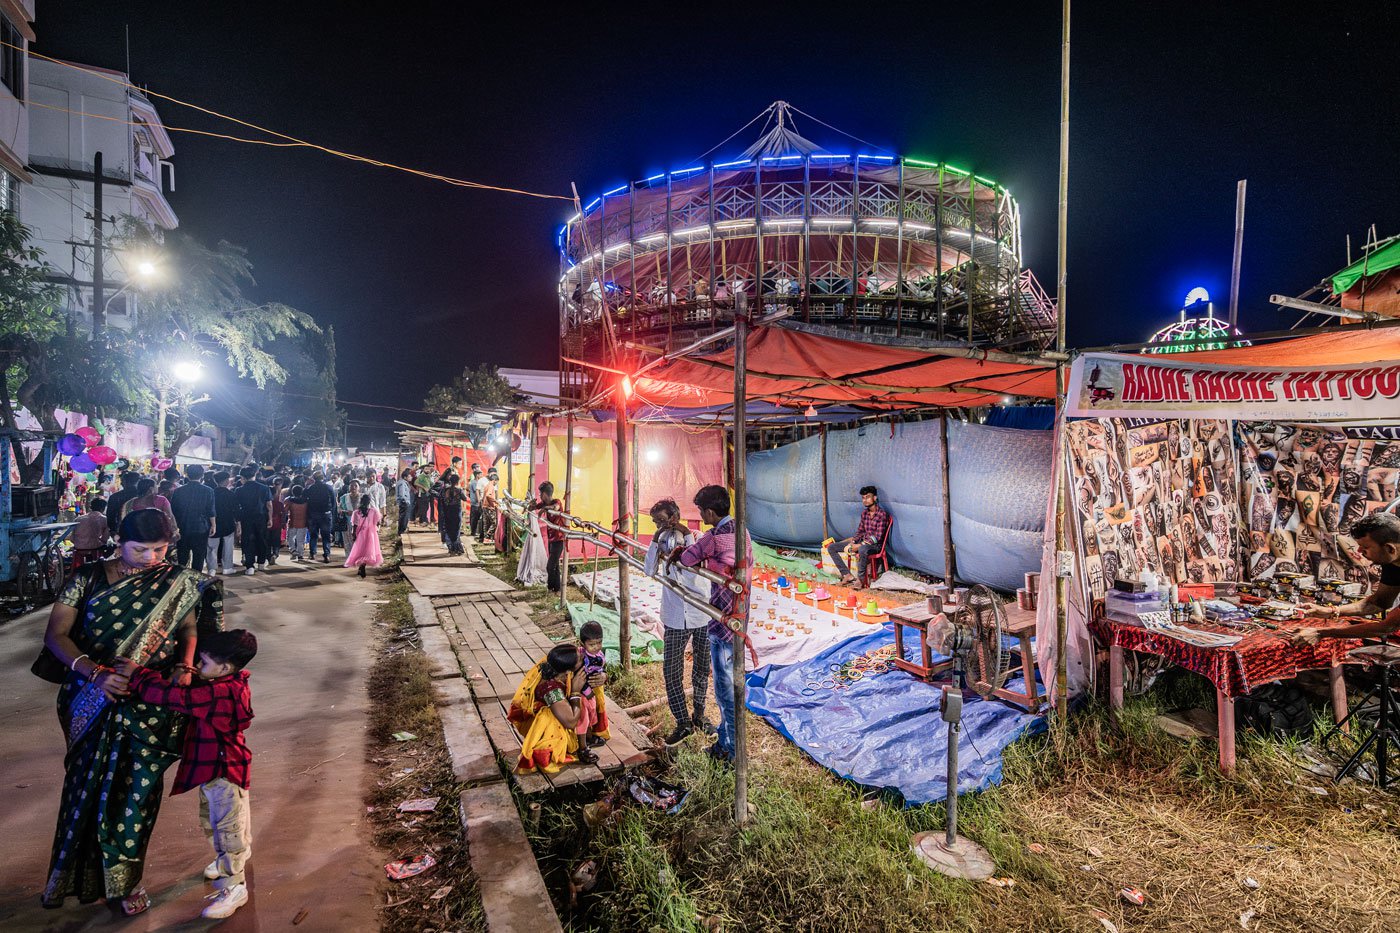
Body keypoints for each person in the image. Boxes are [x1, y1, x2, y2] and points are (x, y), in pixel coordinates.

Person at [40, 508, 223, 916]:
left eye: (160, 549)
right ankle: (76, 876)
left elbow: (188, 628)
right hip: (91, 697)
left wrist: (185, 665)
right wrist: (96, 673)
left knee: (137, 793)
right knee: (85, 790)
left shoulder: (175, 581)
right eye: (140, 549)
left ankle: (126, 881)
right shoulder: (85, 579)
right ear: (119, 542)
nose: (151, 557)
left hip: (152, 698)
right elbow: (57, 636)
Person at [113, 629, 256, 919]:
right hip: (220, 769)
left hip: (223, 770)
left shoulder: (218, 693)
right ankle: (234, 857)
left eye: (203, 663)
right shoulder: (229, 681)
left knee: (227, 828)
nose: (199, 668)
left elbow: (171, 696)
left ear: (225, 667)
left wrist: (137, 673)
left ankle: (234, 885)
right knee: (224, 821)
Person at [675, 485, 753, 765]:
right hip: (740, 618)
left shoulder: (714, 538)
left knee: (724, 690)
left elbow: (686, 558)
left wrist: (687, 544)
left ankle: (733, 752)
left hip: (723, 624)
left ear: (709, 512)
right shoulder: (742, 532)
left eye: (700, 511)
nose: (701, 515)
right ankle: (726, 740)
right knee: (730, 686)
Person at [645, 498, 712, 745]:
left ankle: (700, 715)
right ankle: (683, 722)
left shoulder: (698, 537)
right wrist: (655, 538)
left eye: (663, 520)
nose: (660, 525)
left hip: (700, 613)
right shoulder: (660, 540)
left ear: (676, 515)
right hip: (674, 615)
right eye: (656, 522)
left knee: (702, 669)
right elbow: (649, 570)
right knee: (672, 672)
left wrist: (685, 534)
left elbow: (693, 564)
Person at [1290, 512, 1400, 645]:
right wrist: (1332, 611)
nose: (1359, 551)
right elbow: (1378, 602)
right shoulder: (1392, 561)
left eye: (1365, 547)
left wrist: (1321, 633)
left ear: (1389, 548)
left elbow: (1387, 626)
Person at [507, 644, 597, 772]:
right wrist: (575, 692)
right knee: (579, 702)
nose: (583, 656)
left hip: (559, 710)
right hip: (545, 726)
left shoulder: (553, 664)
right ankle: (573, 749)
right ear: (567, 671)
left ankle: (585, 737)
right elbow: (571, 722)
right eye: (579, 658)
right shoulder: (551, 690)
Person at [825, 485, 892, 587]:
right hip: (862, 542)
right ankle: (846, 575)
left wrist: (860, 545)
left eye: (868, 497)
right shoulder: (864, 514)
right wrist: (853, 542)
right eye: (863, 498)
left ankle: (860, 580)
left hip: (875, 545)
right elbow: (860, 531)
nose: (865, 500)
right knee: (832, 547)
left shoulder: (882, 514)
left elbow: (877, 537)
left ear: (875, 498)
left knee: (862, 549)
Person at [170, 465, 217, 573]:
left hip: (182, 527)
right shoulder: (208, 490)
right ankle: (196, 580)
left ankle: (181, 580)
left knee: (182, 556)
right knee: (199, 556)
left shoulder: (178, 491)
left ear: (187, 474)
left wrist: (174, 527)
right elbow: (211, 510)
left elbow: (173, 511)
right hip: (201, 527)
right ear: (202, 475)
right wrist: (213, 525)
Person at [573, 620, 610, 748]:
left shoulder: (599, 655)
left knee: (592, 711)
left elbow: (601, 668)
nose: (596, 647)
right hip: (582, 692)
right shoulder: (581, 657)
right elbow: (578, 677)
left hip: (593, 692)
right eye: (592, 644)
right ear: (582, 644)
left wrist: (604, 675)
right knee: (584, 715)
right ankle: (584, 742)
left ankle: (591, 733)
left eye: (599, 643)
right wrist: (588, 692)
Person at [233, 466, 273, 575]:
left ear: (242, 477)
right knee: (262, 539)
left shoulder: (239, 490)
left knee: (248, 541)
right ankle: (261, 563)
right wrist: (270, 518)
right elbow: (269, 505)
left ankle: (250, 566)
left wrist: (238, 523)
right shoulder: (264, 488)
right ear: (254, 475)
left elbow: (236, 508)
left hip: (246, 518)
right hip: (261, 517)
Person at [530, 481, 567, 591]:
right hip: (551, 538)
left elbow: (555, 508)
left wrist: (544, 509)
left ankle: (551, 589)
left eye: (540, 494)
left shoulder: (557, 502)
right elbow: (531, 508)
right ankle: (557, 589)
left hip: (559, 539)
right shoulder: (544, 504)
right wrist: (531, 504)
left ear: (545, 494)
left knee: (550, 566)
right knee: (554, 565)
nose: (540, 496)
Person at [206, 471, 239, 575]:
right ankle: (227, 567)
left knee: (211, 547)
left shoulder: (211, 493)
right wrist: (238, 523)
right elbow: (236, 510)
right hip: (228, 523)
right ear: (226, 481)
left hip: (213, 523)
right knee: (228, 546)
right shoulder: (231, 494)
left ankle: (211, 568)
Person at [345, 493, 384, 578]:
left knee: (360, 550)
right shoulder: (374, 511)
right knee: (368, 550)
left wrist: (354, 535)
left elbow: (354, 525)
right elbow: (378, 522)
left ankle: (361, 566)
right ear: (369, 502)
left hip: (360, 533)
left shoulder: (356, 512)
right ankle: (363, 566)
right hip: (371, 533)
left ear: (361, 501)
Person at [304, 471, 336, 563]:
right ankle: (326, 554)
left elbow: (304, 497)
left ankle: (313, 553)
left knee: (313, 535)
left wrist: (306, 485)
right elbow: (333, 502)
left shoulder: (311, 488)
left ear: (314, 478)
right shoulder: (329, 487)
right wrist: (332, 513)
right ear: (323, 478)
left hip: (313, 514)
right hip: (326, 514)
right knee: (326, 535)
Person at [104, 471, 141, 536]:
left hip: (121, 529)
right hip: (141, 529)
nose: (121, 483)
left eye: (122, 481)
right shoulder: (142, 496)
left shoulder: (115, 497)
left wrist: (113, 530)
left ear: (125, 482)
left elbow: (110, 515)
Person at [440, 473, 467, 555]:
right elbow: (465, 499)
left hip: (447, 511)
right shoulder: (459, 490)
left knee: (448, 529)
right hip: (456, 512)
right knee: (456, 530)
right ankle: (457, 548)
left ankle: (450, 548)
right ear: (457, 481)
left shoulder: (444, 490)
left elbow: (441, 499)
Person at [268, 480, 289, 563]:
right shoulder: (279, 504)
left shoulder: (265, 503)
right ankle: (275, 554)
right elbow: (283, 514)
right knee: (276, 540)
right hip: (277, 524)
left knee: (268, 540)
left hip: (267, 524)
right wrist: (283, 523)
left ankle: (269, 555)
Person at [286, 485, 309, 560]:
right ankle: (300, 554)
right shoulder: (306, 501)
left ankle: (292, 550)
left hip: (292, 522)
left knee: (290, 538)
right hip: (303, 523)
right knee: (300, 540)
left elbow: (284, 510)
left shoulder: (289, 500)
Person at [338, 479, 362, 552]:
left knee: (359, 539)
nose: (353, 487)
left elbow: (367, 509)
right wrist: (345, 512)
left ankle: (358, 556)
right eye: (351, 486)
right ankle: (349, 557)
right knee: (347, 540)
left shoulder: (363, 497)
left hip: (360, 523)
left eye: (355, 486)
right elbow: (339, 509)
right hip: (347, 522)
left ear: (359, 487)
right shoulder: (344, 497)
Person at [479, 469, 500, 546]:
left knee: (485, 523)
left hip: (484, 506)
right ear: (494, 480)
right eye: (497, 482)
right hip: (489, 507)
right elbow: (488, 495)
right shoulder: (491, 486)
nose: (496, 483)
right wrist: (495, 501)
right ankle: (488, 537)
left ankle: (486, 539)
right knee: (494, 523)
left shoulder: (487, 485)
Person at [395, 468, 415, 537]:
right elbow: (402, 494)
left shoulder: (402, 482)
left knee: (403, 517)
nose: (411, 477)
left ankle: (401, 531)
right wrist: (406, 502)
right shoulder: (402, 483)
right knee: (404, 517)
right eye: (409, 476)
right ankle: (402, 531)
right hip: (404, 503)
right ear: (405, 477)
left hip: (403, 502)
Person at [466, 463, 484, 539]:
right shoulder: (474, 483)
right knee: (474, 518)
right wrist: (480, 501)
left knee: (476, 518)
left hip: (477, 503)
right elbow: (477, 492)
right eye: (480, 474)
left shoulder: (476, 482)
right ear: (477, 475)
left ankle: (475, 531)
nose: (482, 476)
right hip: (476, 503)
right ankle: (473, 532)